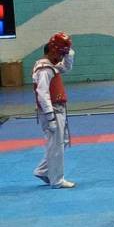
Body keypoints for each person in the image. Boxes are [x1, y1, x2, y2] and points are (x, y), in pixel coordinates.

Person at [32, 32, 76, 188]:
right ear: (52, 50)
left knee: (60, 143)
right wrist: (50, 117)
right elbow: (42, 93)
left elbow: (66, 67)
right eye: (60, 53)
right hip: (53, 111)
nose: (61, 58)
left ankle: (43, 170)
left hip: (57, 109)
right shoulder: (44, 69)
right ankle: (57, 180)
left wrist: (69, 53)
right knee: (56, 145)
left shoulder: (51, 65)